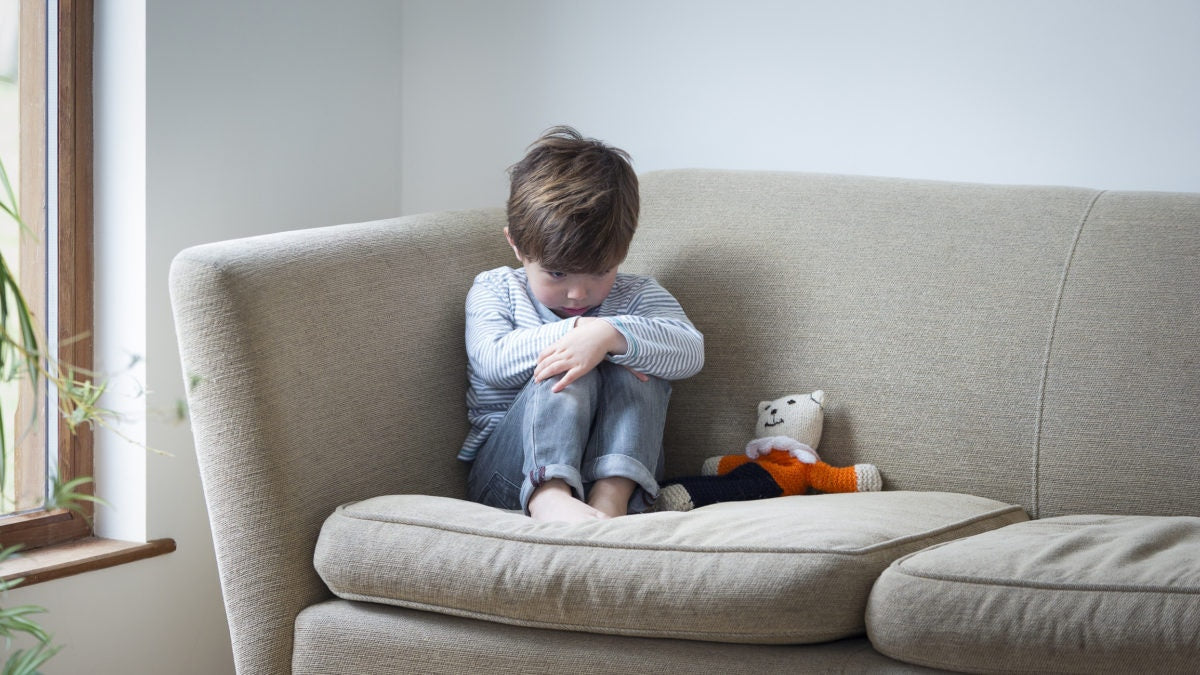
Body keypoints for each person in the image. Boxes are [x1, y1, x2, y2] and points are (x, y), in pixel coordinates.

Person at [460, 126, 704, 523]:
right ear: (517, 246)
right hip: (510, 475)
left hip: (623, 475)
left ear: (622, 253)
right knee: (572, 360)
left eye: (598, 273)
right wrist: (579, 336)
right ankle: (548, 492)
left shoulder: (638, 297)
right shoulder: (497, 289)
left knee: (639, 355)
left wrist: (611, 335)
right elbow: (491, 361)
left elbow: (691, 352)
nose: (578, 294)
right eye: (556, 274)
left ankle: (611, 498)